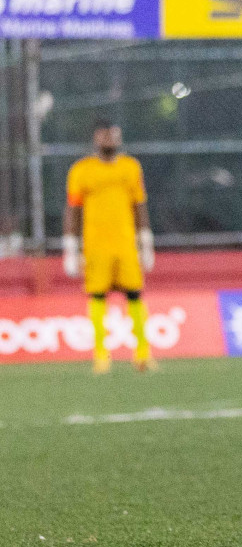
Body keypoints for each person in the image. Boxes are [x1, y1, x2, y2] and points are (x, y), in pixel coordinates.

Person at [62, 121, 156, 374]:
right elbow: (73, 209)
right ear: (95, 138)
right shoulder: (82, 170)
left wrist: (145, 240)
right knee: (97, 295)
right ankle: (101, 354)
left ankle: (143, 352)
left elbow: (139, 205)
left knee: (134, 293)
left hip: (125, 243)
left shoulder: (130, 167)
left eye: (114, 135)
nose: (110, 140)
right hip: (95, 245)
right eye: (105, 135)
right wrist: (70, 246)